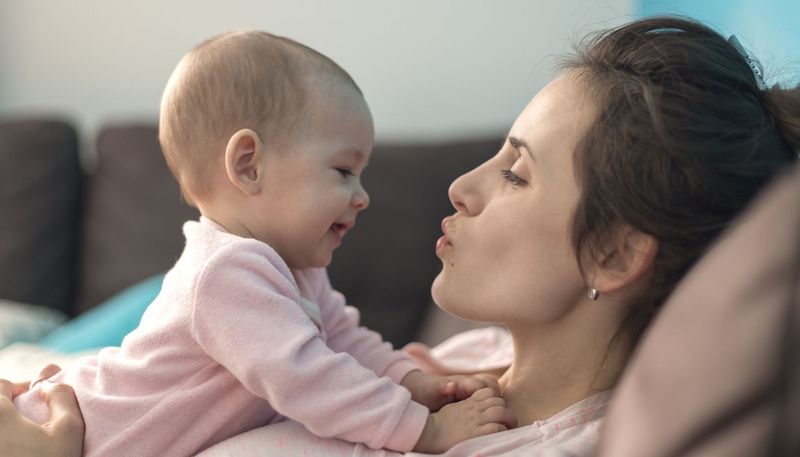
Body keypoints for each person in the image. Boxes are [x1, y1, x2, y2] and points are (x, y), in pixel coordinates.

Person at [3, 16, 800, 457]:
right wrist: (417, 393)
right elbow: (334, 357)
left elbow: (332, 348)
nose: (460, 186)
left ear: (617, 252)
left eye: (515, 173)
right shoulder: (465, 363)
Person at [11, 30, 512, 457]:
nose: (361, 197)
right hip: (57, 432)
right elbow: (310, 379)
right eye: (343, 171)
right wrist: (424, 430)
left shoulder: (292, 270)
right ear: (248, 164)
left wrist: (412, 382)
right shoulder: (225, 275)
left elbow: (343, 341)